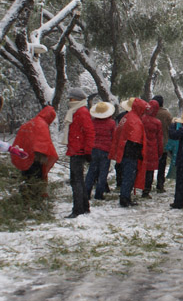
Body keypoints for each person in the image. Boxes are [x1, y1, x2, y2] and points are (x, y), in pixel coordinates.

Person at [10, 106, 59, 199]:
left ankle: (25, 198)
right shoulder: (42, 125)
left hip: (25, 157)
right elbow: (44, 146)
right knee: (35, 181)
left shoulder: (32, 122)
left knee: (26, 179)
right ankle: (34, 199)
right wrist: (48, 157)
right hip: (36, 159)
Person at [62, 88, 95, 218]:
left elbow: (89, 132)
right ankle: (84, 206)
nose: (70, 101)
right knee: (78, 180)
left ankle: (78, 209)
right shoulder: (76, 111)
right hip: (75, 149)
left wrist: (87, 151)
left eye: (72, 99)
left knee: (76, 181)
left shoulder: (81, 112)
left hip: (78, 151)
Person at [109, 97, 148, 208]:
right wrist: (139, 153)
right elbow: (134, 140)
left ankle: (125, 196)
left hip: (124, 151)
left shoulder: (126, 117)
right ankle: (125, 198)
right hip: (130, 154)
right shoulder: (135, 120)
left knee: (126, 176)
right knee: (129, 176)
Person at [85, 101, 116, 200]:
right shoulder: (111, 123)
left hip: (93, 149)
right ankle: (99, 194)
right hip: (106, 150)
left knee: (91, 171)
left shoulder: (92, 122)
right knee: (103, 172)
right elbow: (114, 137)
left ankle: (86, 192)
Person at [169, 109, 183, 209]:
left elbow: (172, 135)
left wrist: (173, 125)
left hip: (182, 158)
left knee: (181, 182)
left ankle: (178, 201)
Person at [152, 95, 173, 193]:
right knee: (161, 166)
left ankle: (147, 184)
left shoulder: (150, 113)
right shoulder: (166, 114)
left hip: (151, 143)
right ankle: (160, 185)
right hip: (163, 142)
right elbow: (170, 128)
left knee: (150, 165)